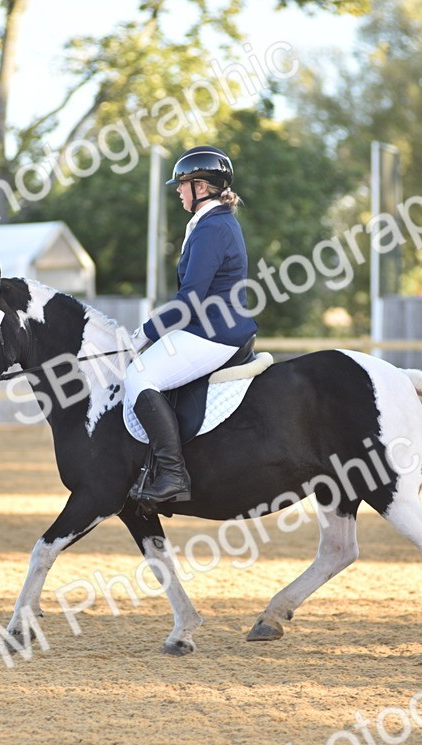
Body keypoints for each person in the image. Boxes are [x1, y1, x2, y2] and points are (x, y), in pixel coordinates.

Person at [125, 145, 258, 504]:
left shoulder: (212, 228)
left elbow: (190, 301)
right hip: (209, 328)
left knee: (139, 376)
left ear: (202, 187)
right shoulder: (210, 223)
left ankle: (172, 474)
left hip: (214, 332)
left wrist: (146, 333)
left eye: (183, 184)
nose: (178, 190)